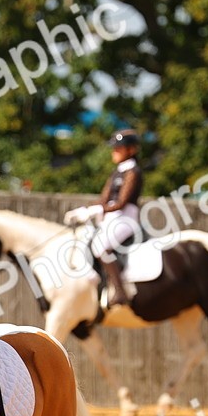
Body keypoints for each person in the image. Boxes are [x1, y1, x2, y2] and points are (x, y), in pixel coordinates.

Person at [69, 129, 143, 307]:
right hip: (112, 217)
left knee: (101, 245)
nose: (114, 151)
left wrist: (95, 210)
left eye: (119, 148)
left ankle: (120, 291)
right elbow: (104, 198)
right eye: (114, 148)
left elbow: (122, 202)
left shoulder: (133, 171)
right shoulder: (117, 172)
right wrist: (84, 209)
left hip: (126, 218)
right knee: (85, 236)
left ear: (130, 150)